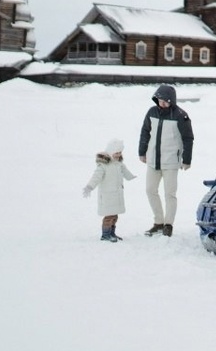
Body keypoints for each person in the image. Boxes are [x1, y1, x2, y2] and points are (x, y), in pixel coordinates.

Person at [138, 84, 193, 237]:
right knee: (150, 190)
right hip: (153, 160)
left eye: (165, 101)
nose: (162, 103)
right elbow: (145, 131)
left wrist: (186, 159)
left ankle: (168, 224)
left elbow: (188, 138)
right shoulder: (152, 112)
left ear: (172, 101)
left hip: (171, 161)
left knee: (170, 194)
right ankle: (158, 222)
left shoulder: (181, 115)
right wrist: (142, 152)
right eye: (159, 100)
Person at [82, 138, 136, 242]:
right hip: (107, 195)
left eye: (120, 152)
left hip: (117, 195)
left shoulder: (119, 164)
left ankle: (112, 233)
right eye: (116, 152)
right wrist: (89, 187)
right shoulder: (103, 165)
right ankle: (105, 234)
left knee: (114, 216)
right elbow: (96, 177)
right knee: (109, 217)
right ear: (111, 152)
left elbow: (125, 172)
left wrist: (131, 177)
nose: (118, 155)